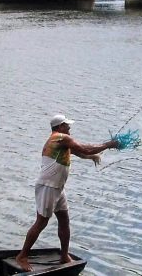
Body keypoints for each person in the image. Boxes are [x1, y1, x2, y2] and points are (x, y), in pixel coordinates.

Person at [15, 114, 118, 272]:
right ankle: (22, 256)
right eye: (67, 125)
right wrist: (108, 144)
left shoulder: (62, 142)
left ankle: (64, 255)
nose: (69, 128)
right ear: (59, 127)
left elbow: (82, 152)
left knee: (64, 220)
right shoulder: (59, 138)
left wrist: (92, 156)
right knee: (41, 222)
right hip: (48, 186)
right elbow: (84, 147)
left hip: (57, 188)